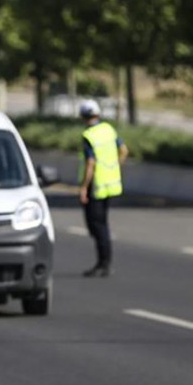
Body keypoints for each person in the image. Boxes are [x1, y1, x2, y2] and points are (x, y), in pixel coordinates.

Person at [79, 100, 128, 278]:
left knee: (97, 226)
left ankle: (103, 263)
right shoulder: (108, 129)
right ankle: (104, 262)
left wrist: (84, 187)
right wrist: (114, 167)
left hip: (97, 186)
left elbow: (90, 163)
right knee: (102, 225)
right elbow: (124, 150)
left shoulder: (89, 135)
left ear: (83, 116)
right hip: (111, 184)